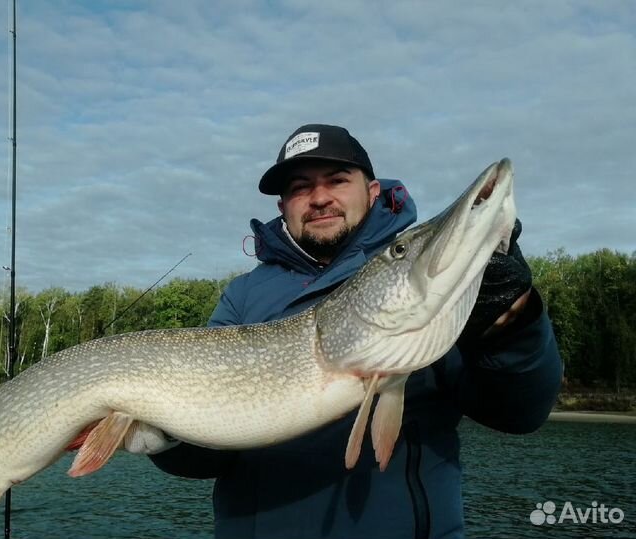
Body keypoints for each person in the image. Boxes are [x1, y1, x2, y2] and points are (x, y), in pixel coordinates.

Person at [150, 124, 563, 539]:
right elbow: (206, 460)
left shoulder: (426, 294)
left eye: (337, 180)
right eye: (300, 186)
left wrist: (510, 325)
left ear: (372, 192)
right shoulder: (243, 297)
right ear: (283, 205)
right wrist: (164, 432)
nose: (319, 197)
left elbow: (519, 413)